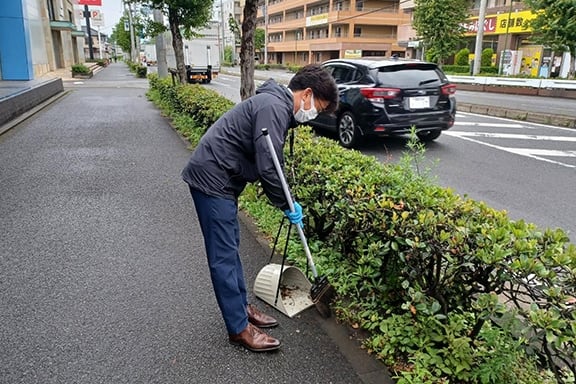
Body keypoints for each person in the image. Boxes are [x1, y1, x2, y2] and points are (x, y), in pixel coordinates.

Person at [181, 64, 338, 352]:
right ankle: (238, 328)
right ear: (307, 94)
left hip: (222, 178)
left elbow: (272, 162)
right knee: (224, 256)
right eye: (318, 106)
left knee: (231, 247)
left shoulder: (276, 106)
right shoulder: (273, 108)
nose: (314, 113)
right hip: (212, 179)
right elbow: (269, 166)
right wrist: (285, 203)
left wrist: (287, 200)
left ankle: (240, 308)